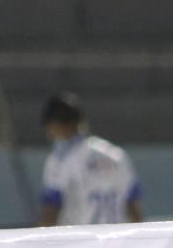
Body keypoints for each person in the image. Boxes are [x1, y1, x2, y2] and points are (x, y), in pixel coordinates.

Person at [38, 93, 143, 228]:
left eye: (50, 127)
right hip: (117, 242)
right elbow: (133, 207)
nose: (50, 134)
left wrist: (37, 245)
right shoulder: (116, 155)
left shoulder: (60, 161)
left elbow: (51, 211)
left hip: (82, 243)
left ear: (59, 124)